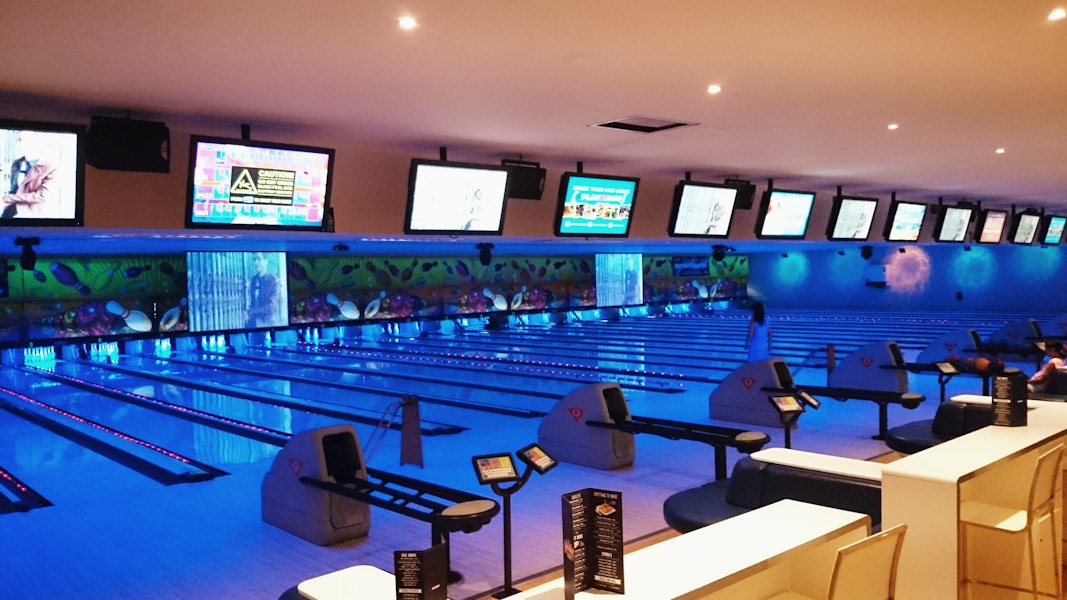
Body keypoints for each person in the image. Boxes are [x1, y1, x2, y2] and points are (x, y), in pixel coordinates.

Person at [2, 130, 58, 219]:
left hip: (35, 216)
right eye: (18, 140)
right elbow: (14, 190)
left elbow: (41, 196)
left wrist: (10, 198)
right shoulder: (16, 164)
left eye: (25, 140)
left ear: (35, 142)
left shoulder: (49, 165)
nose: (20, 144)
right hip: (12, 212)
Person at [245, 252, 282, 328]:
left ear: (266, 261)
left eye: (258, 259)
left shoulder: (274, 280)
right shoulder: (254, 280)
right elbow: (254, 301)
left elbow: (271, 307)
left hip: (269, 324)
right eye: (254, 259)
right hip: (254, 322)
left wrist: (250, 312)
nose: (255, 263)